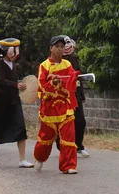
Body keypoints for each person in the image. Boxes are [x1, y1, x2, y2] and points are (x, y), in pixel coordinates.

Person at [0, 38, 34, 168]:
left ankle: (22, 159)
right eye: (15, 49)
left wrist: (20, 86)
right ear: (8, 51)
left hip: (13, 101)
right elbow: (1, 81)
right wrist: (16, 85)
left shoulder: (14, 66)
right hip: (0, 102)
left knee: (20, 128)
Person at [33, 35, 80, 174]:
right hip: (49, 108)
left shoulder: (68, 65)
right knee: (45, 138)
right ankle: (39, 158)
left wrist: (72, 81)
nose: (59, 49)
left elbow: (71, 84)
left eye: (61, 47)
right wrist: (52, 83)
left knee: (69, 137)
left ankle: (69, 166)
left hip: (65, 107)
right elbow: (41, 85)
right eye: (57, 47)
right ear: (51, 48)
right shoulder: (44, 66)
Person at [55, 37, 90, 158]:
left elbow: (77, 76)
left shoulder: (74, 59)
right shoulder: (57, 61)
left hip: (76, 94)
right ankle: (62, 145)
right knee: (64, 121)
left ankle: (79, 146)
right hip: (63, 95)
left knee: (80, 121)